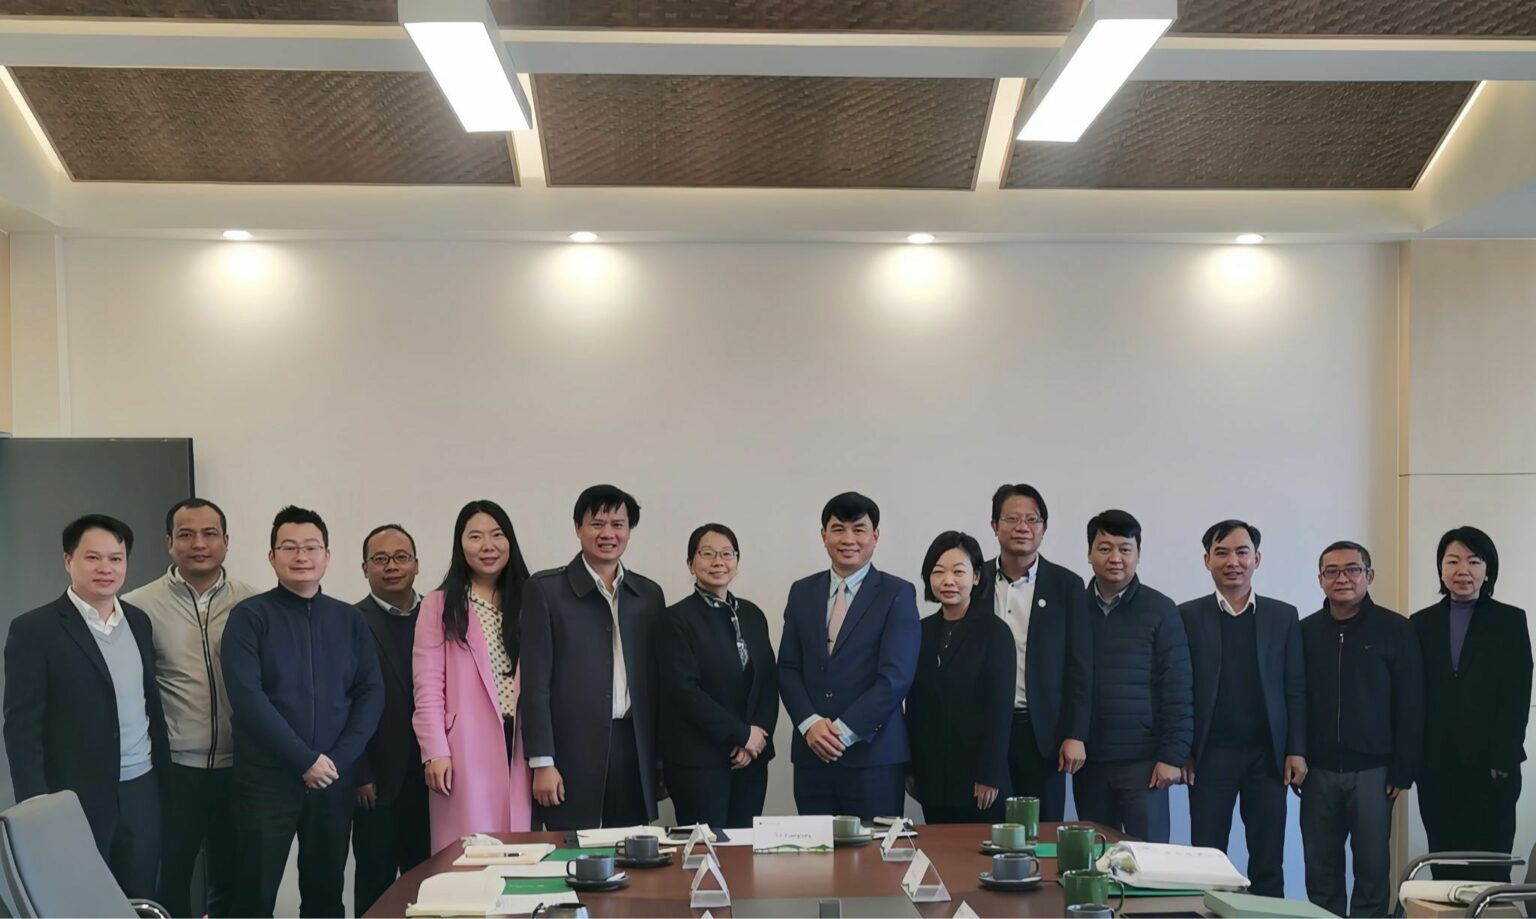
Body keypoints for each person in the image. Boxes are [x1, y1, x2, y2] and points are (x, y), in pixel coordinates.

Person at [221, 506, 383, 919]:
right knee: (253, 895)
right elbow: (248, 698)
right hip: (266, 780)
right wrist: (303, 760)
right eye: (289, 547)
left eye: (311, 547)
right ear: (271, 556)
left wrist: (336, 761)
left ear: (327, 556)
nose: (301, 556)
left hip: (332, 778)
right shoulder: (249, 617)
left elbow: (370, 693)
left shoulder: (349, 619)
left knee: (325, 895)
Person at [3, 515, 169, 899]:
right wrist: (37, 807)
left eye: (116, 558)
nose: (106, 568)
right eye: (93, 557)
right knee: (81, 899)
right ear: (68, 561)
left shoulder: (139, 622)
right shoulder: (35, 629)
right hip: (74, 794)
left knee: (140, 895)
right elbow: (21, 727)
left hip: (142, 789)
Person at [123, 498, 258, 918]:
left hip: (241, 767)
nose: (199, 544)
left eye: (209, 534)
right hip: (174, 769)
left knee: (234, 878)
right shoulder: (136, 607)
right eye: (186, 534)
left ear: (226, 541)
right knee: (171, 878)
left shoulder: (254, 604)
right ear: (169, 543)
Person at [522, 485, 666, 830]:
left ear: (629, 530)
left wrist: (660, 759)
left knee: (631, 848)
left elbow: (659, 683)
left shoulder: (648, 594)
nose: (608, 534)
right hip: (570, 749)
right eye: (597, 524)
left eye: (618, 524)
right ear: (577, 528)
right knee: (572, 848)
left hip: (634, 744)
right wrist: (542, 761)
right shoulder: (546, 590)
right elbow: (535, 683)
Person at [1178, 520, 1306, 898]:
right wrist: (1181, 749)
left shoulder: (1283, 616)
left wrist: (1296, 749)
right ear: (1207, 561)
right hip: (1210, 756)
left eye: (1241, 552)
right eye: (1221, 553)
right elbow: (1179, 688)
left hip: (1267, 757)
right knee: (1206, 859)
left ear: (1257, 559)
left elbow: (1295, 689)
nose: (1232, 561)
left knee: (1268, 861)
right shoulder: (1187, 616)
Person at [778, 492, 920, 820]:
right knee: (816, 850)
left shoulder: (897, 592)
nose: (848, 539)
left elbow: (896, 677)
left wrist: (843, 730)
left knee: (874, 850)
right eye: (838, 529)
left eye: (859, 529)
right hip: (812, 755)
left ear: (875, 536)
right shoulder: (802, 591)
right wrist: (810, 723)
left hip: (874, 757)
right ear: (823, 535)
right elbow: (787, 667)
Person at [1300, 540, 1422, 918]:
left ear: (1369, 575)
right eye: (1332, 571)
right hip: (1317, 772)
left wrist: (1403, 768)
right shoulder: (1304, 632)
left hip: (1375, 772)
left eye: (1352, 569)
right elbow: (1294, 700)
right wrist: (1295, 755)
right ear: (1320, 579)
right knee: (1321, 872)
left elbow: (1411, 703)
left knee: (1371, 872)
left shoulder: (1395, 629)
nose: (1343, 578)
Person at [1412, 527, 1532, 881]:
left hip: (1492, 769)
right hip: (1436, 768)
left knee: (1490, 868)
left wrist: (1504, 757)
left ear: (1488, 570)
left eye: (1474, 561)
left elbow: (1517, 693)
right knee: (1444, 868)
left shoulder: (1510, 620)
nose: (1463, 570)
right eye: (1453, 561)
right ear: (1440, 569)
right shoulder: (1420, 623)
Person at [413, 501, 534, 853]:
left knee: (523, 850)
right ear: (460, 544)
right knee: (468, 854)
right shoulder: (439, 605)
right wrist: (435, 751)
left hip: (523, 740)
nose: (488, 546)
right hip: (464, 746)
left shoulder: (531, 600)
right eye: (476, 536)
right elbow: (428, 686)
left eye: (497, 535)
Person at [1072, 509, 1192, 844]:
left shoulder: (1161, 608)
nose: (1115, 558)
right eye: (1105, 548)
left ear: (1138, 554)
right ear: (1089, 554)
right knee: (1095, 857)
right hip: (1090, 762)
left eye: (1125, 549)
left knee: (1150, 858)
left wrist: (1172, 756)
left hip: (1144, 764)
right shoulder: (1073, 608)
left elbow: (1178, 687)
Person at [975, 483, 1092, 822]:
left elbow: (1080, 666)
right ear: (994, 525)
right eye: (1012, 518)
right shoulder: (976, 580)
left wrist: (1075, 734)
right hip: (984, 730)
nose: (1022, 527)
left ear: (1044, 528)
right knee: (985, 830)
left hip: (1042, 734)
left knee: (1042, 832)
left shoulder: (1067, 585)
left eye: (1032, 519)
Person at [658, 524, 779, 828]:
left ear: (737, 561)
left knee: (746, 849)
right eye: (707, 554)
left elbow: (767, 682)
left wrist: (756, 737)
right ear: (690, 563)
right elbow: (685, 692)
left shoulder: (753, 614)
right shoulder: (675, 619)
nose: (718, 562)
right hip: (699, 762)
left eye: (727, 554)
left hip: (752, 759)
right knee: (707, 849)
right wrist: (739, 734)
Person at [906, 531, 1015, 824]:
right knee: (939, 850)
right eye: (938, 572)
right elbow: (913, 705)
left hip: (978, 780)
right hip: (932, 777)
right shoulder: (920, 631)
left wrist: (989, 774)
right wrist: (910, 767)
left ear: (976, 577)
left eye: (958, 572)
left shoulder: (995, 632)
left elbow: (1000, 710)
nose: (948, 581)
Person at [351, 524, 430, 915]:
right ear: (365, 568)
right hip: (377, 783)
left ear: (416, 564)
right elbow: (342, 704)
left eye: (401, 557)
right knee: (376, 890)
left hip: (437, 782)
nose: (392, 566)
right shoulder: (350, 621)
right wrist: (359, 771)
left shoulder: (441, 614)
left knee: (431, 887)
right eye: (380, 559)